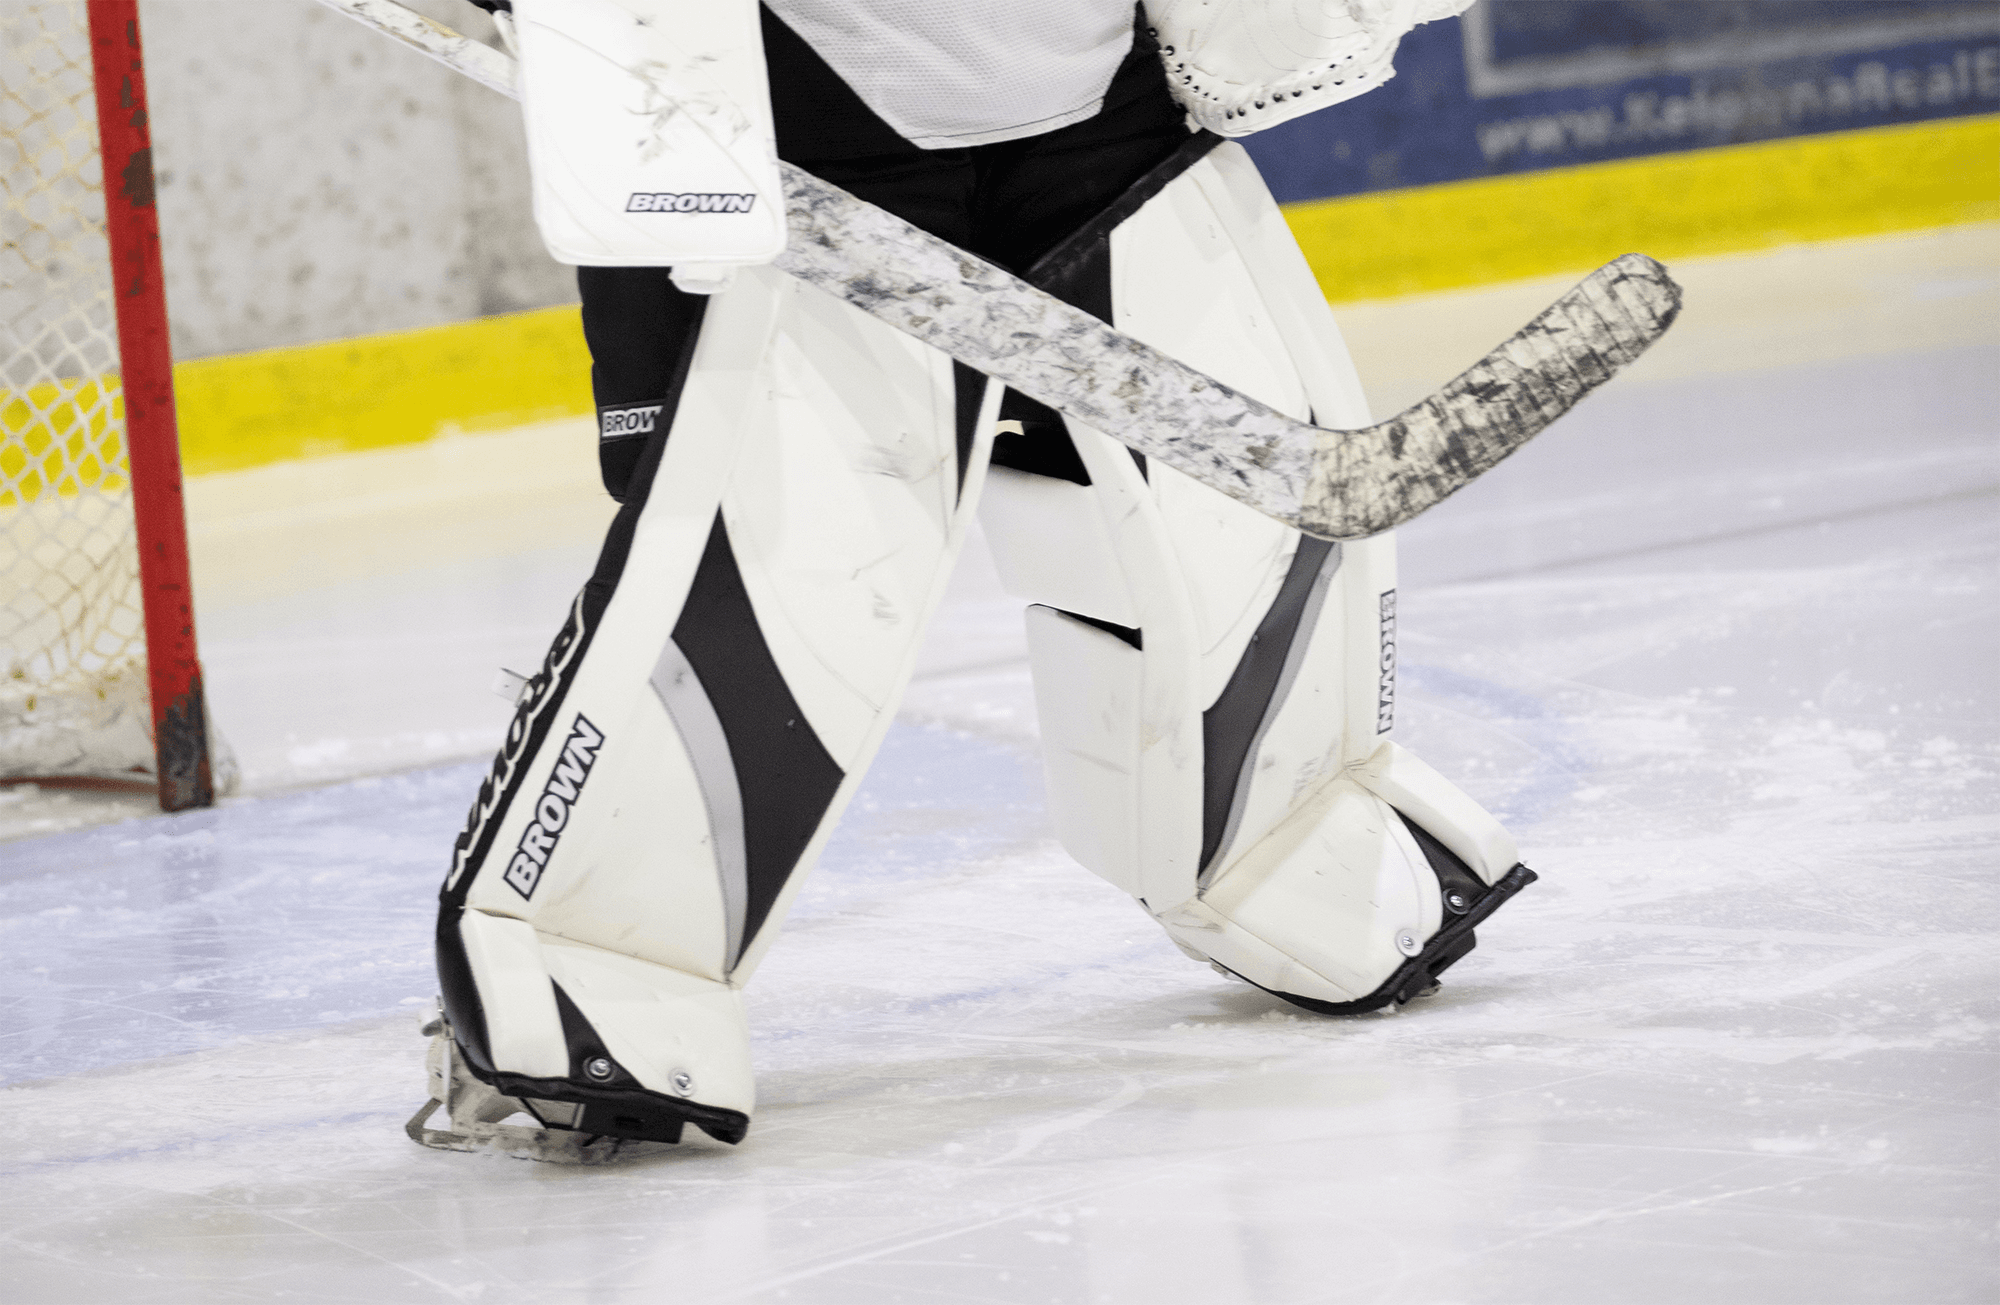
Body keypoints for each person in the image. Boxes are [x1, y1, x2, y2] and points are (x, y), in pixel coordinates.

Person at [413, 0, 1534, 1159]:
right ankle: (592, 961)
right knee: (767, 567)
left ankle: (1290, 843)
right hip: (792, 144)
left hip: (1108, 128)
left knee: (1222, 528)